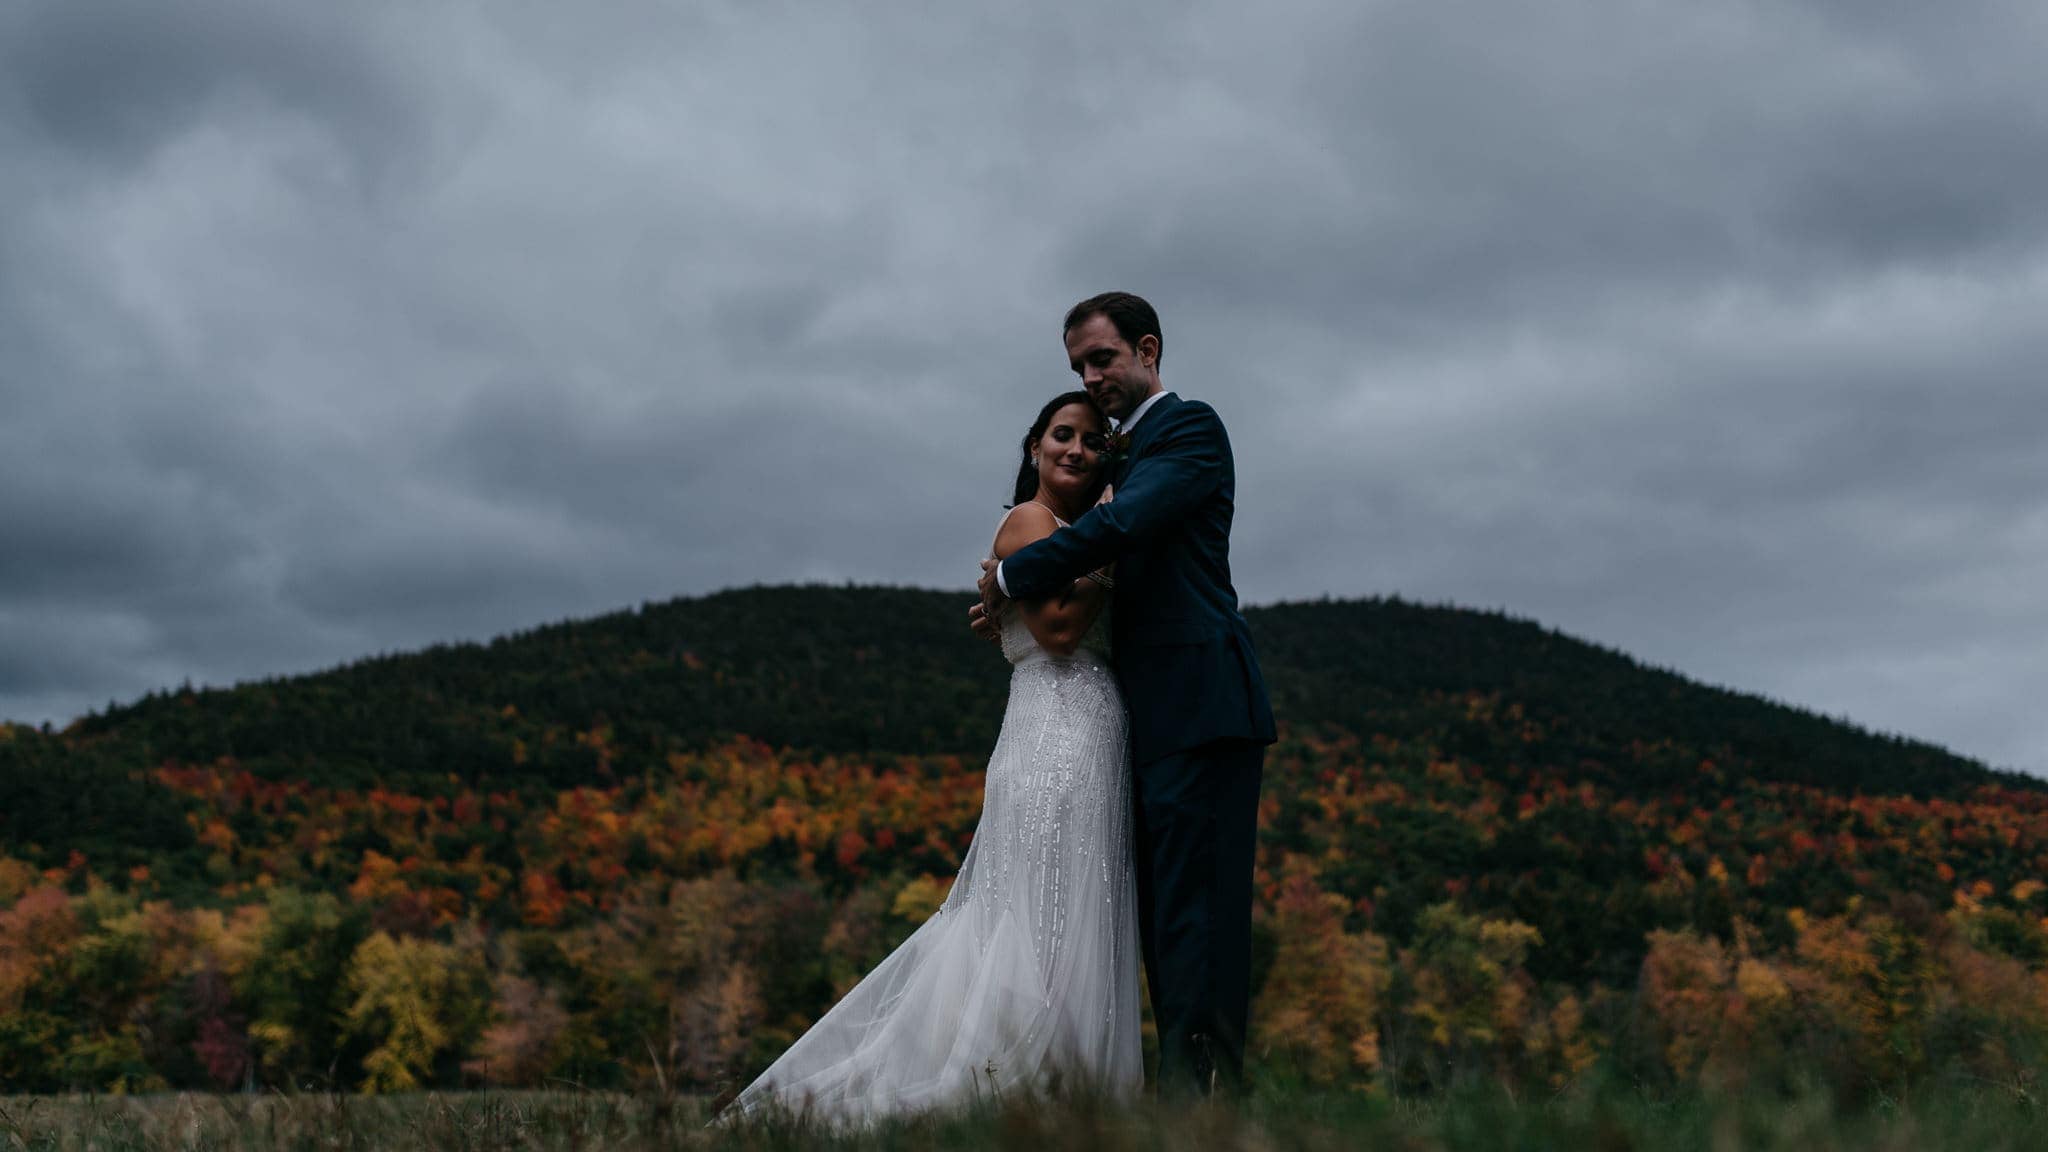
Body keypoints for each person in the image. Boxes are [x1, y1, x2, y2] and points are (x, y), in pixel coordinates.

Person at [718, 392, 1142, 1126]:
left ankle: (1065, 1095)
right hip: (1054, 738)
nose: (1076, 449)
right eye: (1061, 435)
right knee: (1039, 915)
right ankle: (1009, 1080)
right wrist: (1111, 538)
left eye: (1092, 440)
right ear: (1034, 449)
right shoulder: (1031, 523)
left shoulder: (1072, 533)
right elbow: (1063, 632)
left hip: (1095, 734)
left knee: (1078, 908)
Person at [973, 291, 1275, 1099]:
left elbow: (1122, 527)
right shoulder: (1123, 459)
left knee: (1200, 925)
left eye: (1102, 358)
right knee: (1165, 926)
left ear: (1147, 350)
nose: (1091, 376)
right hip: (1142, 724)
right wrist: (1023, 597)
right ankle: (1178, 1102)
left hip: (1201, 706)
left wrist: (1009, 577)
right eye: (1077, 366)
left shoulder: (1187, 430)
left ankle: (1207, 1105)